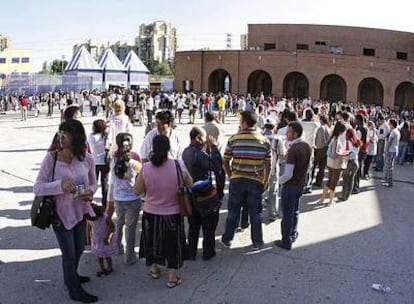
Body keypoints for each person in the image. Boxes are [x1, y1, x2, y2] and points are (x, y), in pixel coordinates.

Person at [34, 119, 98, 303]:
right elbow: (38, 188)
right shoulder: (51, 158)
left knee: (78, 249)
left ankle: (73, 276)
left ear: (76, 137)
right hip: (60, 215)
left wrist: (90, 192)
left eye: (66, 134)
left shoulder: (87, 159)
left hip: (80, 211)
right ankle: (74, 289)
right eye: (60, 133)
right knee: (69, 253)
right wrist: (59, 185)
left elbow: (93, 183)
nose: (61, 137)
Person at [135, 135, 193, 288]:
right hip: (173, 213)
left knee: (151, 241)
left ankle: (154, 269)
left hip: (150, 212)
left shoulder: (146, 168)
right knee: (173, 245)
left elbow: (137, 191)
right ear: (168, 148)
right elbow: (190, 183)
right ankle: (172, 277)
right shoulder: (178, 165)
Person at [221, 111, 272, 250]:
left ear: (244, 123)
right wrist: (265, 181)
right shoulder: (264, 141)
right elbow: (268, 164)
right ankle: (257, 241)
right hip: (256, 181)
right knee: (255, 213)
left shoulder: (233, 139)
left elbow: (225, 160)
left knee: (233, 211)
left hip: (237, 180)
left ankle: (227, 239)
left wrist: (231, 175)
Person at [182, 127, 223, 260]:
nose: (206, 140)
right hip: (204, 195)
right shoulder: (199, 154)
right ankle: (208, 252)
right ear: (198, 138)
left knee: (193, 226)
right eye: (204, 137)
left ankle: (191, 252)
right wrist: (215, 148)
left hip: (190, 194)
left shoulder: (186, 152)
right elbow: (216, 165)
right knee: (208, 225)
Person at [274, 121, 312, 250]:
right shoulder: (307, 146)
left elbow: (288, 174)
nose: (286, 133)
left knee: (287, 215)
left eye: (289, 131)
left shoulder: (293, 150)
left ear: (295, 134)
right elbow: (309, 167)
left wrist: (279, 181)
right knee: (295, 212)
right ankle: (293, 233)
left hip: (290, 186)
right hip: (300, 184)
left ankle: (286, 240)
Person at [106, 133, 142, 265]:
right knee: (130, 228)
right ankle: (130, 256)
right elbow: (142, 174)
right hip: (133, 197)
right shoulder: (135, 159)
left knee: (119, 223)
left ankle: (118, 248)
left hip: (117, 197)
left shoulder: (112, 158)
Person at [319, 122, 349, 206]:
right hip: (336, 164)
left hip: (330, 163)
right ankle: (330, 201)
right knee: (334, 183)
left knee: (329, 181)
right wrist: (344, 154)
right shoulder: (337, 139)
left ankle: (322, 199)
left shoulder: (333, 138)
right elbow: (335, 153)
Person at [88, 203, 117, 277]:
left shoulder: (106, 219)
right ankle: (102, 268)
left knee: (106, 255)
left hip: (104, 239)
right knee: (99, 255)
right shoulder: (91, 217)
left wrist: (108, 237)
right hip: (97, 238)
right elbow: (90, 227)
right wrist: (89, 236)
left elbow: (112, 228)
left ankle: (110, 267)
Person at [88, 119, 109, 208]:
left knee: (93, 182)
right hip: (104, 161)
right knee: (104, 182)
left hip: (94, 161)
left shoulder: (91, 136)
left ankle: (89, 200)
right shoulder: (105, 136)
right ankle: (105, 203)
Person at [340, 128, 361, 201]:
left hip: (349, 162)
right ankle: (347, 196)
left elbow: (346, 153)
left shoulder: (347, 142)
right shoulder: (357, 142)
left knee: (345, 180)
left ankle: (344, 196)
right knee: (351, 179)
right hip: (355, 162)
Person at [311, 115, 331, 187]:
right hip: (326, 149)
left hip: (320, 149)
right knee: (322, 167)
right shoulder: (328, 128)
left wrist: (315, 148)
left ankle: (311, 179)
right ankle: (319, 181)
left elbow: (319, 141)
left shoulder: (321, 128)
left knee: (313, 165)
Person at [383, 119, 400, 187]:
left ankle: (389, 182)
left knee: (389, 167)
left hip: (391, 151)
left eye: (389, 124)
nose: (389, 125)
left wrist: (386, 150)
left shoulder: (393, 132)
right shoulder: (397, 131)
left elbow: (390, 141)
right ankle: (387, 180)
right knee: (389, 166)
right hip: (394, 150)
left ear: (392, 124)